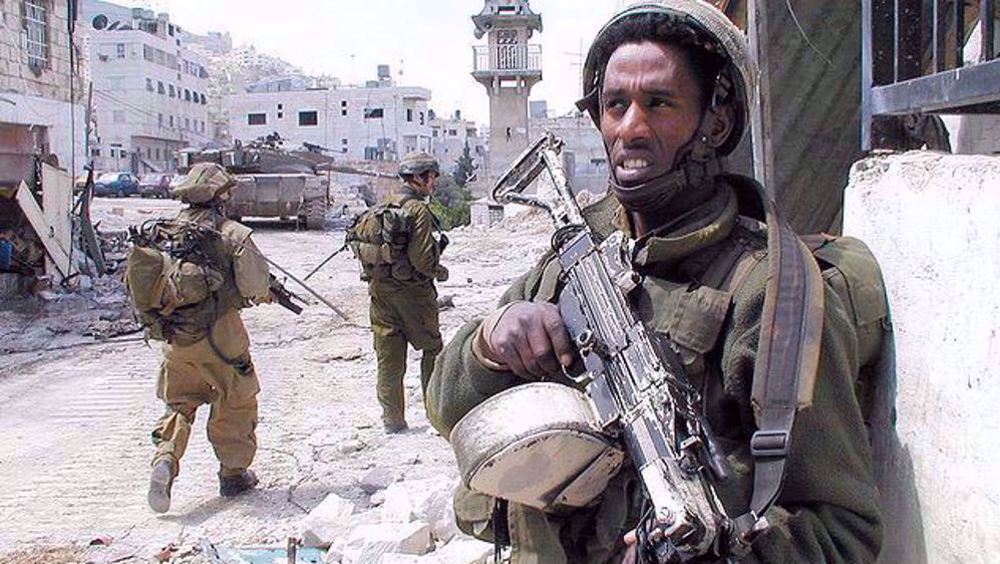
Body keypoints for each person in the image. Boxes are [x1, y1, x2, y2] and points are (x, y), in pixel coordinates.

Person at [425, 2, 884, 562]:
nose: (631, 128)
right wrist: (491, 345)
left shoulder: (768, 293)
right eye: (616, 105)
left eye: (659, 104)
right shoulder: (575, 255)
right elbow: (448, 411)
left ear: (715, 122)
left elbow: (844, 532)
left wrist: (716, 552)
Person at [142, 162, 272, 513]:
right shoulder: (233, 235)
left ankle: (164, 459)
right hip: (221, 335)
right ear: (219, 196)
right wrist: (262, 294)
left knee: (179, 404)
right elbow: (256, 287)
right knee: (235, 400)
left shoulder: (162, 232)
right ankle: (233, 474)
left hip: (175, 336)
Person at [352, 152, 447, 434]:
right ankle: (437, 416)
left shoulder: (383, 206)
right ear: (419, 179)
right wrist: (439, 271)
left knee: (389, 358)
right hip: (413, 295)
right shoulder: (418, 210)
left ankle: (393, 421)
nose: (434, 182)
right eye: (431, 176)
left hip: (380, 292)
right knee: (432, 350)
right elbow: (421, 260)